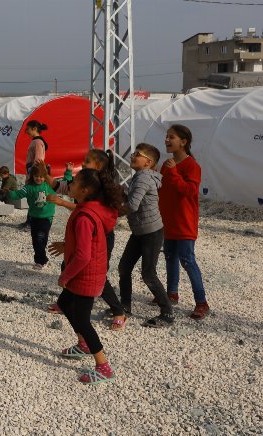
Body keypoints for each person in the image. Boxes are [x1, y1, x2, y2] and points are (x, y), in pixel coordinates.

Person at [48, 168, 121, 385]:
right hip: (86, 273)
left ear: (85, 190)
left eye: (74, 183)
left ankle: (103, 365)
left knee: (82, 319)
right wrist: (65, 246)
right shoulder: (87, 208)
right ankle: (83, 344)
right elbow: (82, 244)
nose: (69, 185)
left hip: (84, 276)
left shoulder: (84, 216)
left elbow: (82, 255)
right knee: (64, 303)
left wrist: (65, 277)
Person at [47, 150, 127, 330]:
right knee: (68, 265)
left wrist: (61, 203)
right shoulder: (86, 182)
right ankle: (64, 302)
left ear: (98, 166)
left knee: (98, 276)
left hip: (101, 237)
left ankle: (118, 311)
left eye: (87, 161)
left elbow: (88, 212)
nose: (83, 164)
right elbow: (62, 188)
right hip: (87, 233)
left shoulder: (101, 189)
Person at [116, 143, 174, 328]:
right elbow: (133, 201)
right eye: (133, 153)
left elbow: (132, 206)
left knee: (148, 273)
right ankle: (125, 306)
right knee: (124, 267)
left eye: (137, 154)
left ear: (148, 162)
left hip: (151, 232)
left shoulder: (142, 178)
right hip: (140, 231)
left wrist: (112, 213)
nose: (132, 156)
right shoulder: (138, 177)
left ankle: (167, 313)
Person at [158, 124, 210, 320]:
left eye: (171, 137)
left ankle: (202, 302)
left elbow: (189, 192)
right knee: (170, 257)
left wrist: (173, 173)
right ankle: (172, 293)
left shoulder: (192, 166)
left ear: (184, 142)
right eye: (166, 136)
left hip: (185, 223)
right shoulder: (166, 164)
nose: (167, 140)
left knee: (187, 261)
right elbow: (162, 190)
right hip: (168, 221)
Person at [7, 162, 57, 270]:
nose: (39, 178)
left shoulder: (49, 186)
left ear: (45, 176)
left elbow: (62, 186)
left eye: (41, 176)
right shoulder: (28, 187)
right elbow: (17, 194)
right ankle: (40, 259)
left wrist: (68, 172)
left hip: (46, 218)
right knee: (35, 240)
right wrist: (8, 192)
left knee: (40, 238)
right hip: (34, 218)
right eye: (36, 176)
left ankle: (41, 261)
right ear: (32, 176)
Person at [19, 120, 48, 228]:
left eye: (28, 129)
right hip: (31, 172)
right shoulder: (36, 142)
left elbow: (38, 160)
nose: (26, 131)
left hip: (33, 173)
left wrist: (33, 174)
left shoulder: (37, 142)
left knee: (34, 197)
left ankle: (33, 222)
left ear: (34, 128)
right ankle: (30, 220)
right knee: (31, 197)